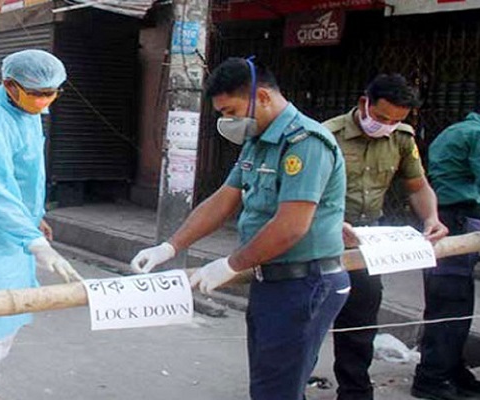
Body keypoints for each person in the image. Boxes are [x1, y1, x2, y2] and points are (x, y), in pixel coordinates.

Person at [130, 57, 350, 399]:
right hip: (273, 281)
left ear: (262, 97)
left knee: (276, 389)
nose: (227, 121)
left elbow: (292, 226)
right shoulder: (258, 139)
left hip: (305, 283)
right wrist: (170, 246)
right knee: (272, 382)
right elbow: (224, 199)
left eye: (231, 111)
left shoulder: (305, 143)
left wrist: (231, 264)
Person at [0, 49, 82, 400]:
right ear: (9, 84)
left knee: (8, 319)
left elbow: (27, 174)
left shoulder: (26, 111)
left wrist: (35, 220)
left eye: (51, 93)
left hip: (16, 236)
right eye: (38, 93)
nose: (44, 100)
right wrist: (33, 241)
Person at [322, 74, 449, 400]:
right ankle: (292, 389)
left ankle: (355, 392)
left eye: (396, 120)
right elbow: (303, 195)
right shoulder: (326, 135)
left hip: (367, 244)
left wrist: (431, 218)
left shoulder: (402, 139)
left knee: (360, 322)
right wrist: (330, 223)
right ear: (364, 102)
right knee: (309, 321)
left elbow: (417, 186)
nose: (387, 125)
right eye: (381, 118)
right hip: (320, 237)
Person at [412, 94, 480, 400]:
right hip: (456, 221)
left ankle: (452, 371)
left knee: (448, 302)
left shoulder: (455, 130)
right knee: (452, 303)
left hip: (445, 219)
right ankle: (432, 379)